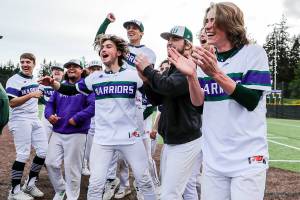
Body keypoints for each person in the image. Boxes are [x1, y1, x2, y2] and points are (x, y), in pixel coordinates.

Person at [170, 2, 271, 200]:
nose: (207, 26)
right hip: (214, 160)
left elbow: (251, 100)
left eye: (213, 20)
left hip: (248, 160)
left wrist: (215, 73)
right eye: (206, 21)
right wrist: (191, 76)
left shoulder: (254, 53)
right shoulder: (205, 60)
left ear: (230, 22)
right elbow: (198, 105)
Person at [39, 34, 156, 200]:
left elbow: (154, 95)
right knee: (95, 186)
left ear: (119, 53)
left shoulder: (133, 76)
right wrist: (53, 83)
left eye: (108, 46)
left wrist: (150, 77)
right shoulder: (94, 78)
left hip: (130, 138)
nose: (103, 50)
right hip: (103, 140)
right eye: (102, 48)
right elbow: (70, 90)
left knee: (144, 181)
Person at [135, 25, 204, 200]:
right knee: (186, 189)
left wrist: (148, 71)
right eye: (168, 40)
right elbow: (158, 99)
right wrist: (146, 81)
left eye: (175, 39)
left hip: (186, 140)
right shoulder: (173, 67)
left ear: (187, 44)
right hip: (174, 139)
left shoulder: (190, 64)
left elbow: (170, 87)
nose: (169, 43)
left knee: (169, 194)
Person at [95, 13, 158, 199]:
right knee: (119, 153)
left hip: (138, 102)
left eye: (135, 28)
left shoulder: (148, 52)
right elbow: (99, 39)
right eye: (128, 27)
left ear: (141, 33)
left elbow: (149, 79)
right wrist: (106, 21)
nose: (130, 30)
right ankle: (123, 185)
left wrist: (148, 110)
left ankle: (147, 186)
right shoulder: (118, 48)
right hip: (117, 100)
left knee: (143, 152)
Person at [44, 59, 94, 200]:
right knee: (50, 163)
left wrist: (77, 118)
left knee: (72, 170)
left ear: (82, 70)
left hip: (77, 133)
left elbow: (93, 106)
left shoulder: (87, 86)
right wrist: (49, 115)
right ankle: (60, 189)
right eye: (69, 67)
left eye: (75, 67)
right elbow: (50, 104)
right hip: (58, 131)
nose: (71, 68)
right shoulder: (61, 86)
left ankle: (72, 197)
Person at [6, 53, 48, 200]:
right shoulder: (14, 80)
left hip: (33, 118)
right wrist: (30, 95)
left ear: (34, 64)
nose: (25, 64)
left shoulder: (35, 80)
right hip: (19, 119)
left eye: (28, 62)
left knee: (43, 151)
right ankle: (14, 191)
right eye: (22, 62)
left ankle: (30, 184)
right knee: (23, 154)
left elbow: (43, 93)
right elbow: (12, 102)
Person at [82, 60, 103, 176]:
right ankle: (84, 163)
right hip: (88, 119)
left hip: (102, 119)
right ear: (88, 71)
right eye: (92, 69)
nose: (95, 71)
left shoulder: (105, 80)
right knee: (87, 145)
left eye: (97, 68)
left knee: (101, 147)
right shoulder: (85, 83)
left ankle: (97, 169)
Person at [39, 63, 64, 141]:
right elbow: (39, 96)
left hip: (62, 114)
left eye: (59, 70)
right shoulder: (45, 83)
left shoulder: (66, 84)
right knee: (44, 139)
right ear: (52, 72)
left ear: (63, 73)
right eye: (54, 69)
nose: (56, 71)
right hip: (46, 114)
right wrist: (49, 105)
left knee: (60, 139)